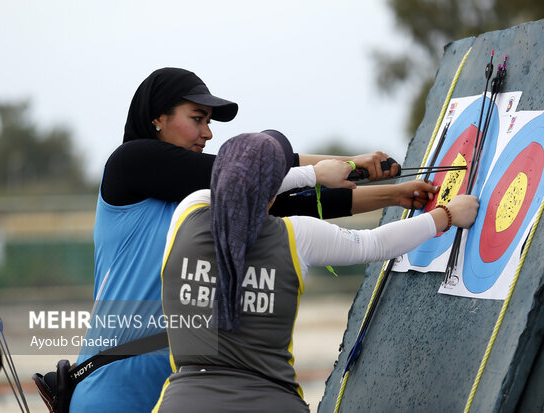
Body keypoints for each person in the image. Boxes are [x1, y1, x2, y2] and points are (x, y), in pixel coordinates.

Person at [69, 67, 437, 412]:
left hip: (175, 393)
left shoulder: (205, 205)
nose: (208, 132)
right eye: (197, 119)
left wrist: (393, 194)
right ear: (157, 118)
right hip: (113, 388)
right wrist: (348, 162)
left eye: (208, 123)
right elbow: (244, 173)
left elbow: (289, 204)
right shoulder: (128, 163)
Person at [155, 133, 479, 412]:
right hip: (271, 401)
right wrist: (446, 215)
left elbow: (237, 185)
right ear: (273, 190)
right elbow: (373, 244)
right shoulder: (295, 236)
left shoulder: (190, 211)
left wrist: (313, 173)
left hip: (184, 400)